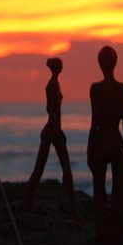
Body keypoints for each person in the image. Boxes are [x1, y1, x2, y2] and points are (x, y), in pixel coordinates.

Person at [87, 46, 123, 245]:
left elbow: (94, 121)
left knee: (101, 188)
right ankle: (114, 229)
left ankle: (103, 230)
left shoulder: (96, 89)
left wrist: (90, 146)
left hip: (101, 140)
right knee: (119, 187)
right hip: (115, 141)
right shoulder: (121, 89)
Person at [22, 57, 80, 220]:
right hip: (52, 130)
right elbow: (49, 108)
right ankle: (27, 204)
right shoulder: (51, 84)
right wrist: (57, 128)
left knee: (64, 169)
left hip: (54, 129)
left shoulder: (56, 82)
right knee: (46, 169)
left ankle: (73, 208)